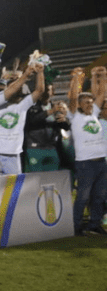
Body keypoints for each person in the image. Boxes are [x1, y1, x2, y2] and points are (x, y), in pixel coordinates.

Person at [67, 67, 107, 235]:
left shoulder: (94, 115)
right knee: (83, 197)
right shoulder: (75, 117)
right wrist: (77, 77)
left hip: (101, 162)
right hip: (85, 164)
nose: (90, 104)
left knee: (99, 196)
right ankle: (76, 226)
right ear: (80, 106)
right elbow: (72, 97)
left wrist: (102, 76)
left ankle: (94, 224)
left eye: (91, 102)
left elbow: (103, 93)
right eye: (86, 103)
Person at [0, 63, 45, 175]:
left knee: (14, 190)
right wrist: (24, 75)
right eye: (13, 87)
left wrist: (40, 73)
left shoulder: (22, 106)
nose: (16, 89)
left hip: (13, 155)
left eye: (19, 87)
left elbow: (39, 91)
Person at [24, 84, 70, 172]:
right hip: (35, 147)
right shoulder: (31, 107)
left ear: (53, 93)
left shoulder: (56, 107)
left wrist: (65, 120)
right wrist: (50, 111)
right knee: (36, 176)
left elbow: (66, 127)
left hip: (52, 147)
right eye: (43, 90)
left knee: (52, 177)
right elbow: (32, 121)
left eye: (48, 90)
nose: (46, 93)